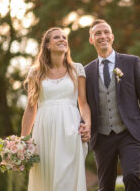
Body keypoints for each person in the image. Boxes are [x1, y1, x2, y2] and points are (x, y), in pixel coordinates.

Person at [84, 19, 140, 191]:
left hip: (130, 133)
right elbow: (83, 105)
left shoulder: (131, 62)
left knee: (131, 176)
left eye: (106, 32)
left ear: (112, 37)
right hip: (101, 137)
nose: (103, 36)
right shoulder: (86, 72)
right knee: (105, 186)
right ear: (91, 40)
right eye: (97, 33)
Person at [21, 27, 91, 191]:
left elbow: (84, 103)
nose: (62, 40)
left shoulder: (77, 69)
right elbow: (31, 108)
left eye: (64, 37)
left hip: (70, 130)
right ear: (47, 45)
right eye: (56, 37)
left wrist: (87, 124)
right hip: (44, 132)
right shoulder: (36, 72)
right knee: (46, 180)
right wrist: (23, 140)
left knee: (66, 180)